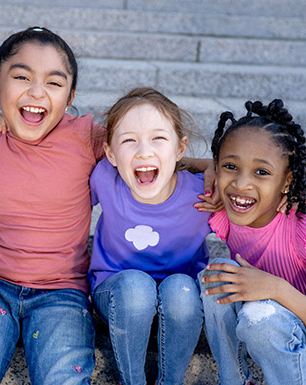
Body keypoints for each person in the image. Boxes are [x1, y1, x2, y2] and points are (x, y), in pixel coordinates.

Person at [0, 28, 219, 385]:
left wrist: (204, 165)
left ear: (70, 97)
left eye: (53, 83)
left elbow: (140, 147)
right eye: (21, 77)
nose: (36, 92)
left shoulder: (86, 137)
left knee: (64, 378)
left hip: (62, 292)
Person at [198, 99, 306, 385]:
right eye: (230, 166)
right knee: (215, 274)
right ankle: (234, 379)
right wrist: (208, 169)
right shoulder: (231, 201)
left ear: (287, 182)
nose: (241, 184)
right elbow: (182, 165)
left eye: (261, 172)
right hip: (256, 318)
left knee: (259, 317)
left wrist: (277, 289)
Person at [88, 87, 213, 385]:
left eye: (158, 138)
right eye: (129, 141)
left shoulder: (202, 195)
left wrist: (215, 167)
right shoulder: (105, 177)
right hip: (118, 295)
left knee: (182, 288)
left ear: (180, 149)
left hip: (181, 304)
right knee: (135, 286)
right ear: (110, 153)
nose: (144, 151)